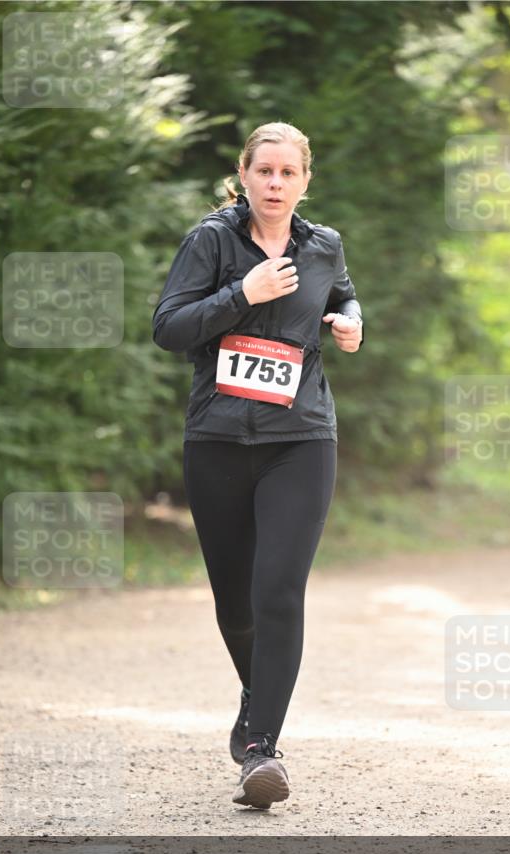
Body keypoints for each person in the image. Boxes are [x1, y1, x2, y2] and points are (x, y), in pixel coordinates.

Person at [152, 122, 364, 810]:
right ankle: (257, 702)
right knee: (234, 604)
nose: (275, 184)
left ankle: (258, 748)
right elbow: (169, 328)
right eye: (263, 172)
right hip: (215, 441)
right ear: (242, 175)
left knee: (278, 591)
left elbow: (340, 292)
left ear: (306, 181)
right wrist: (244, 293)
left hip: (300, 439)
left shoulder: (322, 245)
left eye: (288, 173)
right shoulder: (210, 241)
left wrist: (350, 317)